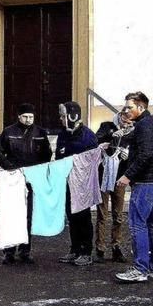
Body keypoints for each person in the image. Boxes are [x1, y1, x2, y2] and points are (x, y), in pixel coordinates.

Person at [115, 92, 153, 282]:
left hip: (146, 183)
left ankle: (140, 269)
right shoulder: (150, 124)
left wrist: (127, 176)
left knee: (137, 224)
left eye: (129, 107)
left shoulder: (144, 126)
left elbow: (145, 155)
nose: (126, 110)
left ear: (141, 107)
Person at [0, 103, 52, 264]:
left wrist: (39, 170)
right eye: (25, 116)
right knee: (11, 214)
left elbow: (47, 153)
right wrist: (9, 167)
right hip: (13, 178)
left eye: (31, 117)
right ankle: (9, 251)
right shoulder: (8, 132)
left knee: (28, 215)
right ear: (19, 116)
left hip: (32, 179)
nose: (28, 120)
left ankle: (25, 250)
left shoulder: (40, 132)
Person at [55, 101, 99, 266]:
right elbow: (58, 158)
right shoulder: (63, 134)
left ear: (72, 116)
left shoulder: (88, 135)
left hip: (82, 185)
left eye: (63, 116)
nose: (60, 119)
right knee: (71, 217)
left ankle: (86, 252)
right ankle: (74, 249)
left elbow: (93, 162)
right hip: (67, 183)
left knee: (83, 218)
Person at [94, 109, 133, 263]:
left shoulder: (132, 133)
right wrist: (110, 137)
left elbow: (135, 154)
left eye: (129, 122)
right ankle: (100, 249)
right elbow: (95, 141)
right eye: (124, 119)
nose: (126, 123)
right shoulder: (106, 125)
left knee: (118, 215)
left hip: (120, 178)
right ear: (120, 116)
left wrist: (128, 156)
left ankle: (116, 247)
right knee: (102, 214)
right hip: (103, 175)